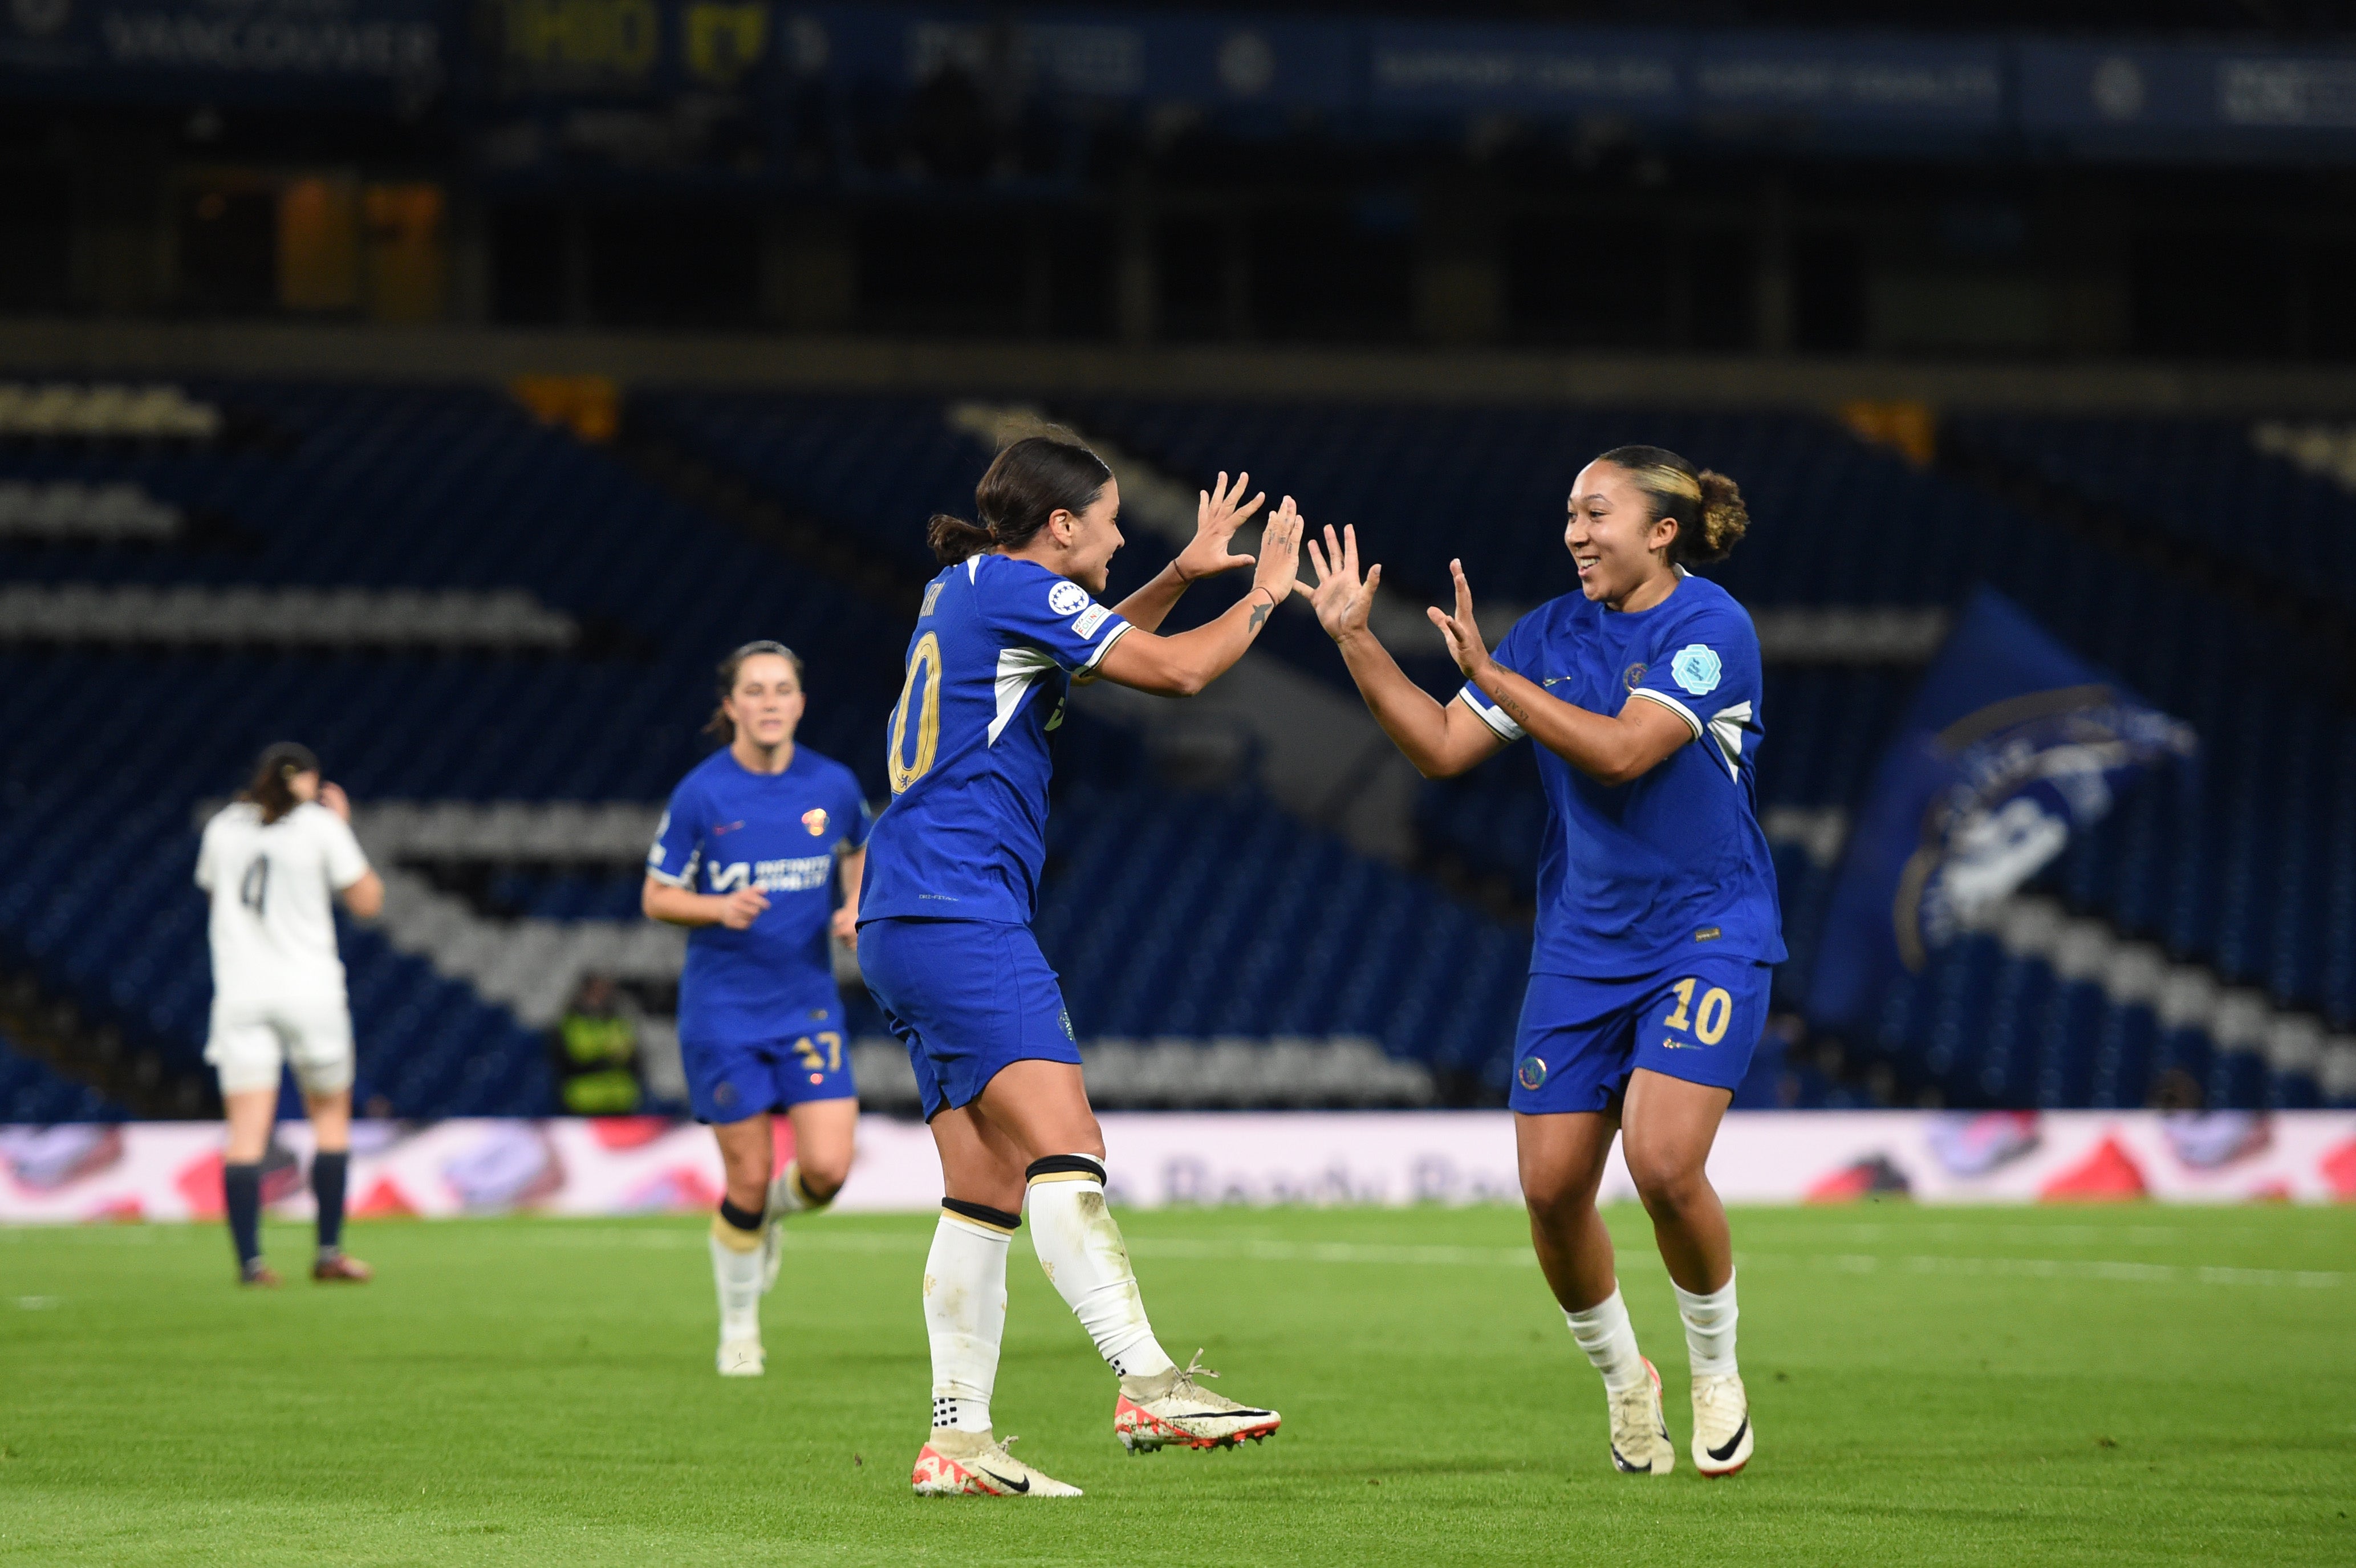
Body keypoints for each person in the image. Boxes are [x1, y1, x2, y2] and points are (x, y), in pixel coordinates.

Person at [1303, 445, 1780, 1478]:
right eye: (1568, 510)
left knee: (1661, 1162)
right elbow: (1437, 744)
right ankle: (1625, 1382)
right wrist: (1354, 643)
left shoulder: (1711, 627)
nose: (1573, 530)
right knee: (1553, 1190)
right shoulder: (1550, 632)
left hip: (1705, 932)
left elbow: (1620, 751)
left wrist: (1494, 678)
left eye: (1595, 512)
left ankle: (1714, 1368)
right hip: (1580, 948)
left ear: (1661, 531)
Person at [858, 433, 1303, 1499]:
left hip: (902, 912)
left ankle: (956, 1442)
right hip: (961, 906)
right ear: (1061, 527)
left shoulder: (965, 590)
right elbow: (1181, 673)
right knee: (1069, 1149)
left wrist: (1181, 575)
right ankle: (1148, 1380)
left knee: (984, 1181)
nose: (1116, 535)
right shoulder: (1015, 587)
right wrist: (1263, 599)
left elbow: (1089, 647)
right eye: (1108, 520)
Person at [644, 640, 871, 1377]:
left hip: (807, 1005)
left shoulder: (833, 785)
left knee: (828, 1171)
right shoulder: (701, 794)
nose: (770, 702)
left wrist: (855, 907)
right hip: (724, 1013)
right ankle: (739, 1327)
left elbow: (860, 849)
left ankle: (771, 1215)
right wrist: (716, 906)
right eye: (755, 690)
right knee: (742, 1181)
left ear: (801, 702)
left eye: (783, 689)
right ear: (732, 706)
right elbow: (656, 895)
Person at [194, 742, 385, 1287]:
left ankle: (251, 1264)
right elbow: (368, 901)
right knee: (330, 1120)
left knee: (246, 1134)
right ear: (312, 781)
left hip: (241, 995)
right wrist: (342, 826)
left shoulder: (223, 828)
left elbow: (215, 898)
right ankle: (328, 1253)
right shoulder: (320, 825)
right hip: (311, 994)